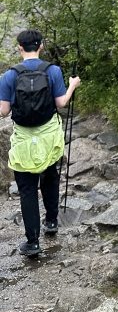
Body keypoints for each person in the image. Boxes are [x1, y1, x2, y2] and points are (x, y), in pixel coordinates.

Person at [0, 30, 80, 258]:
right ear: (41, 46)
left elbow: (4, 112)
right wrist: (73, 85)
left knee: (27, 190)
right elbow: (61, 103)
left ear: (19, 48)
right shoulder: (53, 71)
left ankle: (33, 242)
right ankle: (52, 222)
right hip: (49, 136)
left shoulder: (9, 76)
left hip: (24, 139)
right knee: (50, 176)